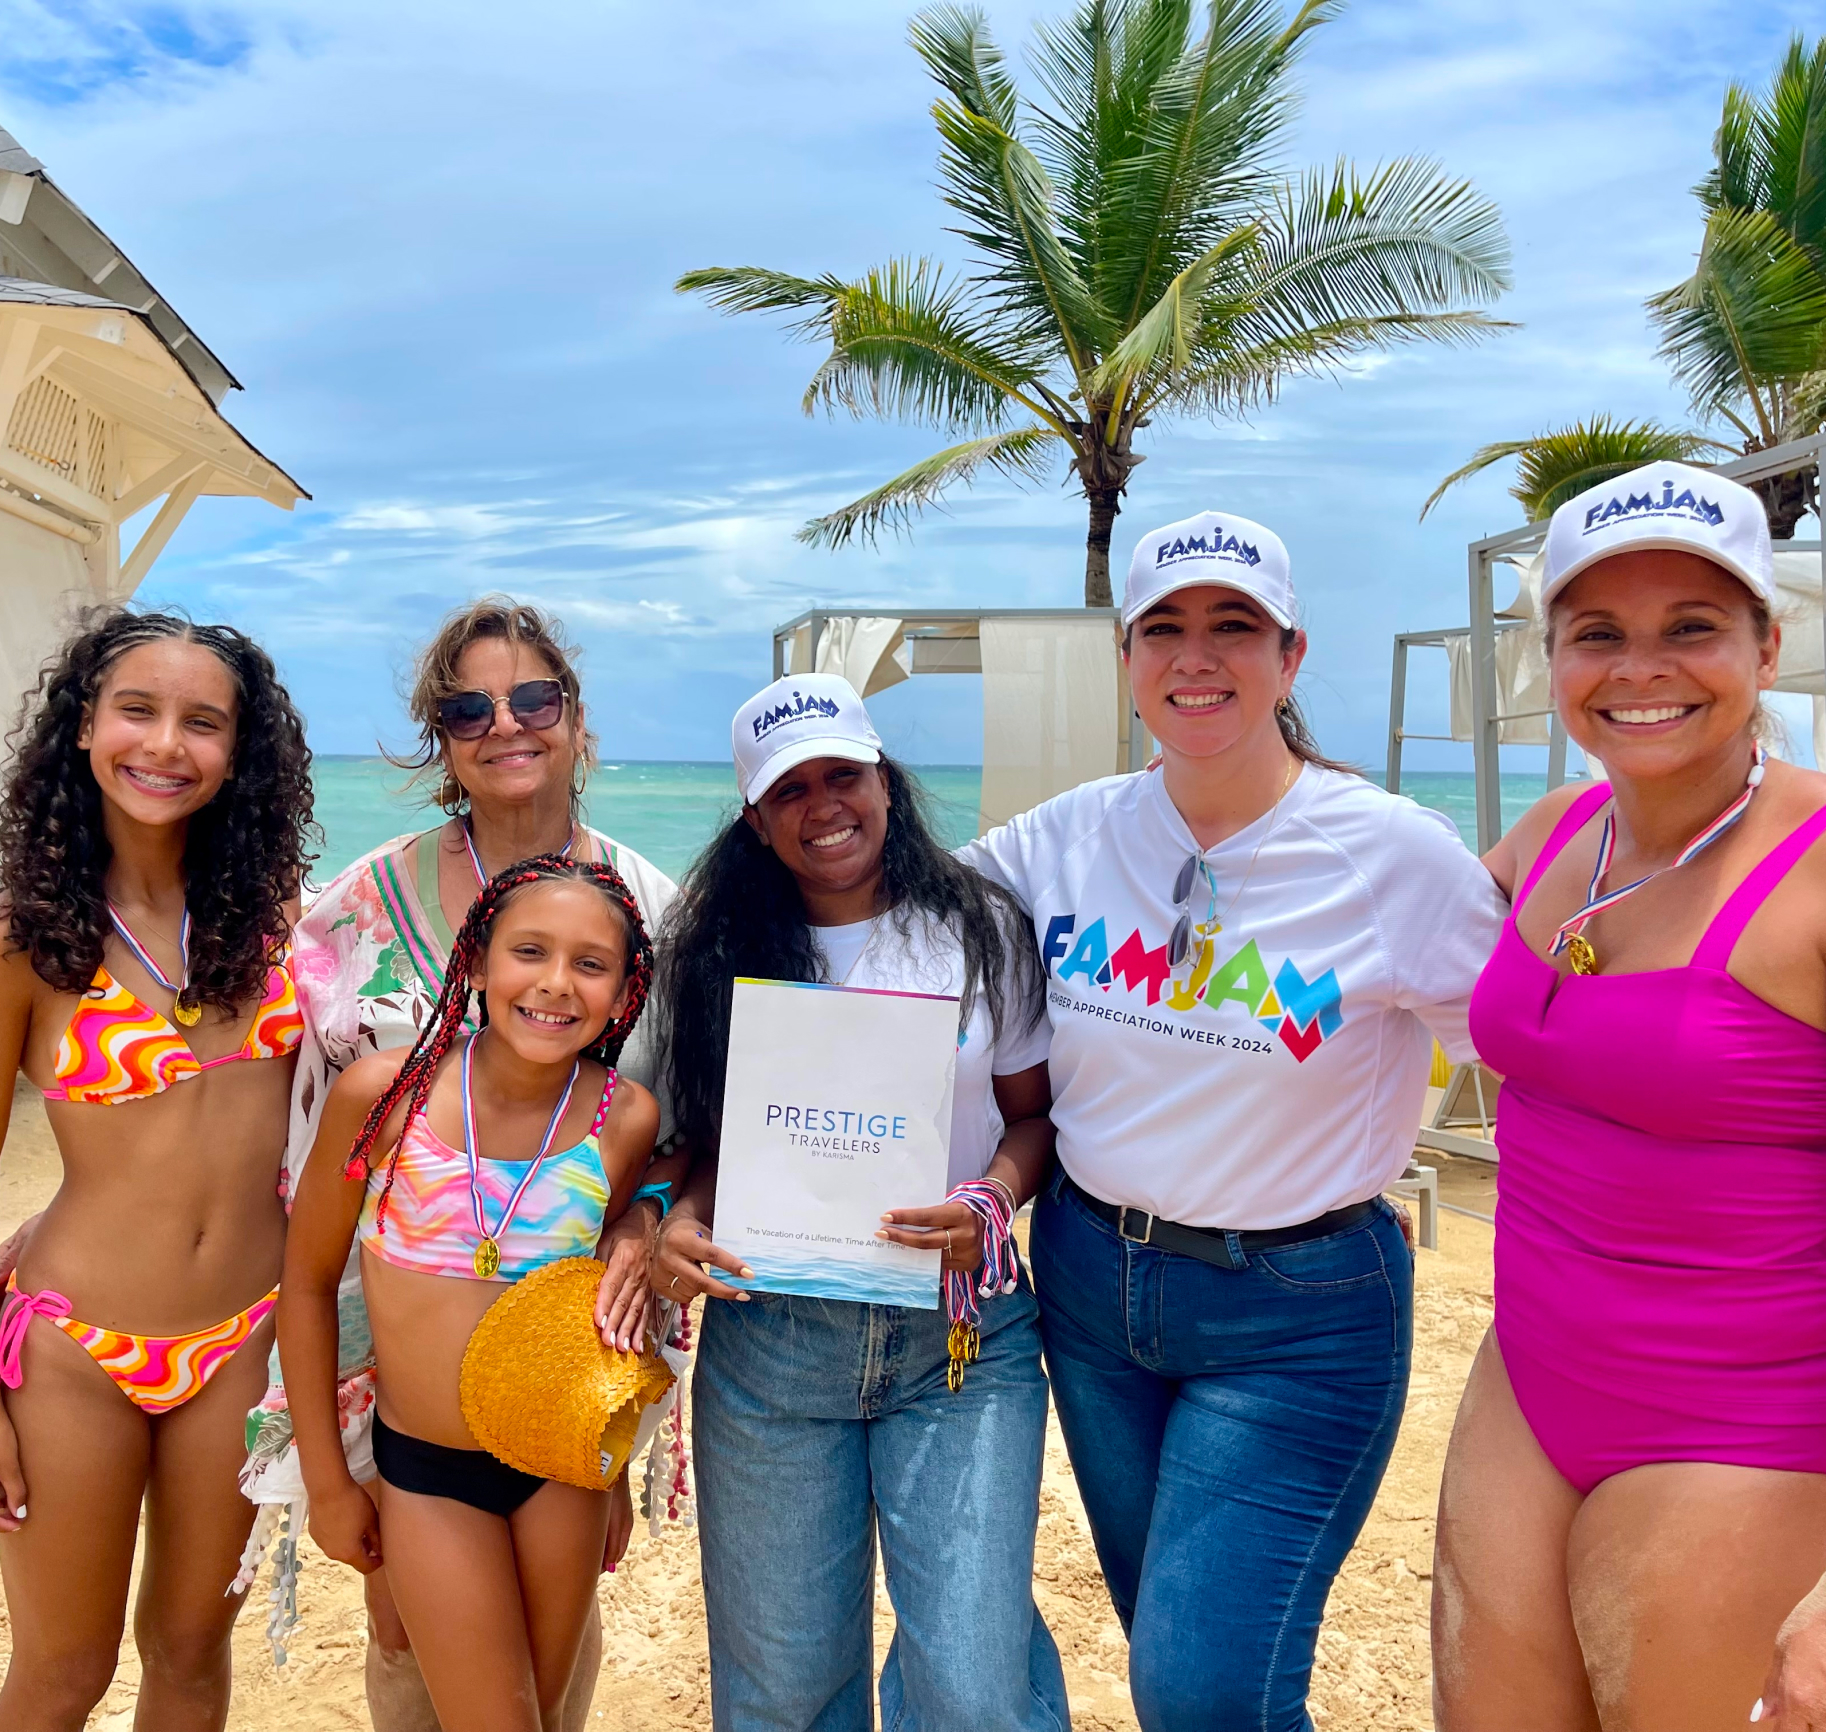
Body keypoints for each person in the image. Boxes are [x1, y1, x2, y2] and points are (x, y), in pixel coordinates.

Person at [956, 511, 1505, 1732]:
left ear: (1290, 655)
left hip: (1296, 1314)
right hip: (1091, 1288)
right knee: (1176, 1653)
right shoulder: (1064, 835)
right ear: (1125, 657)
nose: (1194, 656)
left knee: (1201, 1690)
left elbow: (1530, 1062)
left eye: (1234, 626)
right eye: (1163, 628)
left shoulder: (1392, 856)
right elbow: (896, 922)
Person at [1433, 461, 1826, 1731]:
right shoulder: (1554, 832)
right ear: (1551, 659)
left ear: (1766, 648)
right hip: (1526, 1382)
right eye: (1595, 633)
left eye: (1690, 627)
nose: (1638, 668)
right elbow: (1352, 942)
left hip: (1745, 1427)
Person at [244, 597, 680, 1728]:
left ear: (576, 717)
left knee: (542, 1686)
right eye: (467, 708)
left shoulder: (659, 914)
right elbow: (258, 1077)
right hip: (391, 1383)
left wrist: (643, 1227)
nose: (505, 723)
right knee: (410, 1651)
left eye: (533, 697)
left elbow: (678, 1147)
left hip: (561, 1410)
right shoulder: (356, 909)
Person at [650, 672, 1070, 1732]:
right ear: (755, 818)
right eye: (789, 790)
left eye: (843, 774)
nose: (823, 806)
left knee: (972, 1688)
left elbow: (1033, 1118)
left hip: (961, 1342)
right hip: (773, 1344)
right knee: (784, 1694)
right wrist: (683, 1219)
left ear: (885, 781)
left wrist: (991, 1199)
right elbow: (708, 1144)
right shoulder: (714, 949)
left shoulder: (979, 927)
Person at [0, 609, 314, 1730]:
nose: (166, 745)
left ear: (240, 753)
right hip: (73, 1349)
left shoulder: (277, 919)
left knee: (189, 1652)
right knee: (63, 1669)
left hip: (247, 1339)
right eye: (137, 710)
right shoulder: (25, 937)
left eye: (204, 722)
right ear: (84, 726)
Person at [281, 855, 659, 1732]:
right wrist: (329, 1482)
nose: (556, 983)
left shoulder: (622, 1117)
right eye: (530, 951)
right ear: (478, 962)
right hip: (427, 1475)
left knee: (545, 1713)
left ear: (622, 993)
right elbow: (305, 1286)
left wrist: (613, 1472)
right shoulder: (387, 1097)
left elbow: (604, 1306)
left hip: (563, 1468)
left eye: (590, 964)